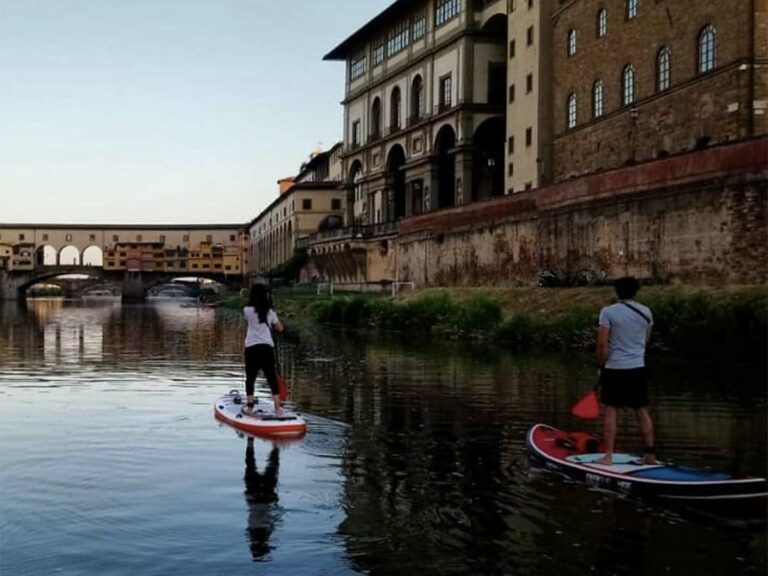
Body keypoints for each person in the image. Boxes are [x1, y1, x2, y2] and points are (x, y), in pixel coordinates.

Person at [595, 276, 657, 465]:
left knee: (611, 411)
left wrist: (600, 365)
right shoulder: (646, 312)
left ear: (617, 291)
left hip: (614, 368)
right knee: (641, 411)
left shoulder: (608, 312)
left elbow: (602, 344)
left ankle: (608, 456)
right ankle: (650, 455)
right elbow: (646, 340)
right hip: (638, 367)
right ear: (635, 291)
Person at [243, 284, 284, 414]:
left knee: (250, 378)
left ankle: (250, 408)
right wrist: (273, 315)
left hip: (251, 348)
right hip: (266, 348)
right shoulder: (270, 312)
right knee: (271, 377)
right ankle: (277, 408)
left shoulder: (247, 311)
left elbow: (251, 319)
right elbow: (280, 328)